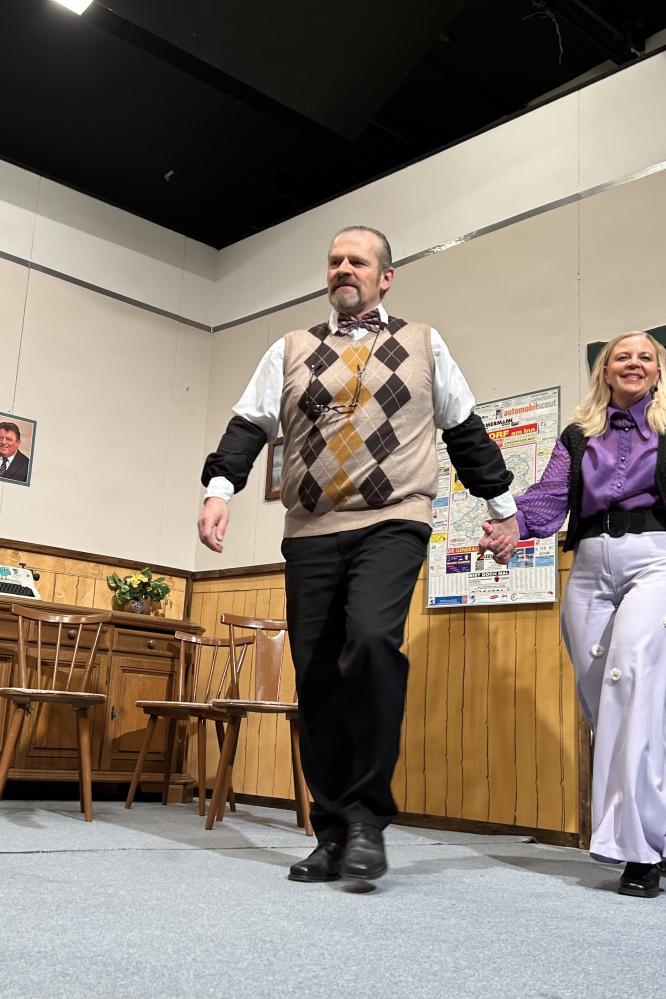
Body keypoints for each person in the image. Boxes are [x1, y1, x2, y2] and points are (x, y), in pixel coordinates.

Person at [198, 225, 517, 883]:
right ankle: (333, 831)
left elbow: (464, 428)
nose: (344, 268)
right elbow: (249, 424)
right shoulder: (290, 348)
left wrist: (502, 508)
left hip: (393, 520)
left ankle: (368, 817)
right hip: (311, 530)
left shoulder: (424, 344)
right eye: (335, 260)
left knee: (371, 642)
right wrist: (219, 490)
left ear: (385, 276)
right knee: (317, 675)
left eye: (358, 261)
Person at [481, 330, 666, 898]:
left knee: (632, 685)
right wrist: (512, 527)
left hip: (661, 562)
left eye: (645, 357)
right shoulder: (579, 435)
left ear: (659, 371)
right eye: (622, 356)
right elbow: (550, 496)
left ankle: (639, 851)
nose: (633, 363)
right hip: (591, 567)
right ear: (605, 370)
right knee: (611, 702)